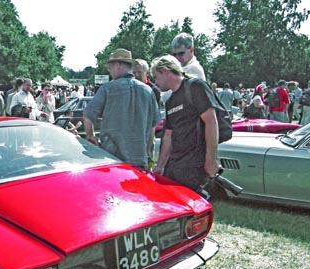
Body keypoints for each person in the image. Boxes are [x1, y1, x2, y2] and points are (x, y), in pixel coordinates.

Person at [151, 55, 219, 192]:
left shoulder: (196, 86)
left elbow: (212, 122)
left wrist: (210, 159)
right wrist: (160, 165)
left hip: (195, 164)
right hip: (175, 164)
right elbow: (168, 136)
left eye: (156, 77)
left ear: (165, 71)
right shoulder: (170, 101)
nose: (155, 82)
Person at [83, 48, 160, 168]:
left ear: (117, 65)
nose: (110, 72)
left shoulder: (107, 89)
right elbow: (153, 126)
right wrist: (148, 151)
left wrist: (91, 136)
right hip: (139, 161)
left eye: (110, 68)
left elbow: (88, 116)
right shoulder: (148, 91)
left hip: (112, 160)